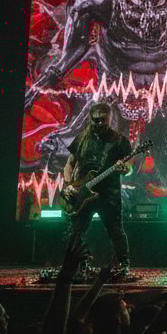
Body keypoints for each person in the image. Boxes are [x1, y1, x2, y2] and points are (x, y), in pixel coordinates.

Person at [62, 103, 133, 278]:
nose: (99, 124)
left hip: (109, 194)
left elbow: (129, 167)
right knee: (77, 230)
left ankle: (124, 264)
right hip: (83, 194)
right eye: (95, 120)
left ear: (109, 119)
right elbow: (69, 164)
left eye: (103, 120)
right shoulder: (82, 139)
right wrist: (69, 184)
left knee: (115, 230)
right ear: (90, 119)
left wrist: (124, 168)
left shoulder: (119, 141)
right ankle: (80, 265)